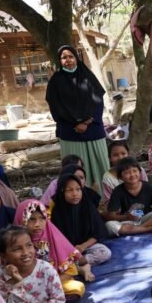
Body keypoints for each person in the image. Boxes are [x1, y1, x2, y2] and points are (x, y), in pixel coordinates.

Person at [45, 44, 109, 192]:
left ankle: (104, 197)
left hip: (93, 128)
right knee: (73, 170)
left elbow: (98, 102)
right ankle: (77, 197)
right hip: (70, 131)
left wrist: (86, 122)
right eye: (63, 57)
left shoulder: (88, 77)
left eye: (70, 56)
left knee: (100, 166)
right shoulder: (55, 81)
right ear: (59, 61)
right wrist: (75, 122)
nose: (68, 60)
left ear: (76, 58)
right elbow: (55, 107)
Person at [15, 199, 93, 303]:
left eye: (42, 219)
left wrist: (49, 285)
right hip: (28, 287)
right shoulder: (14, 242)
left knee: (77, 288)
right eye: (31, 219)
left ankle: (45, 302)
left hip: (53, 282)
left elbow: (70, 271)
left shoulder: (52, 235)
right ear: (22, 219)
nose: (37, 224)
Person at [0, 226, 66, 303]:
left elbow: (58, 299)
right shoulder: (0, 274)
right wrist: (15, 281)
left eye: (29, 245)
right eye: (17, 249)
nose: (25, 252)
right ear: (4, 256)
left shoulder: (45, 269)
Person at [50, 174, 111, 265]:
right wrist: (70, 249)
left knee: (104, 252)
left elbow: (97, 233)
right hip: (66, 249)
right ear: (62, 192)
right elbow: (57, 238)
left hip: (87, 246)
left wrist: (83, 246)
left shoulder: (88, 206)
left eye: (78, 189)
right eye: (70, 190)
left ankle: (76, 264)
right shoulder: (57, 211)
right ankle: (72, 265)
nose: (75, 193)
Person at [104, 157, 152, 237]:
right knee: (109, 225)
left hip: (147, 220)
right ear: (121, 177)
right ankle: (148, 229)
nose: (132, 175)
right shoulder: (118, 191)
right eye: (127, 173)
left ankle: (138, 229)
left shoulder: (148, 187)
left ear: (140, 172)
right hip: (128, 222)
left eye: (135, 171)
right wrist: (126, 217)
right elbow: (111, 215)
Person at [100, 141, 150, 206]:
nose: (120, 157)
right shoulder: (108, 178)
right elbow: (109, 202)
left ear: (128, 154)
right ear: (110, 158)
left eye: (123, 153)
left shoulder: (139, 170)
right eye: (115, 155)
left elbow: (147, 189)